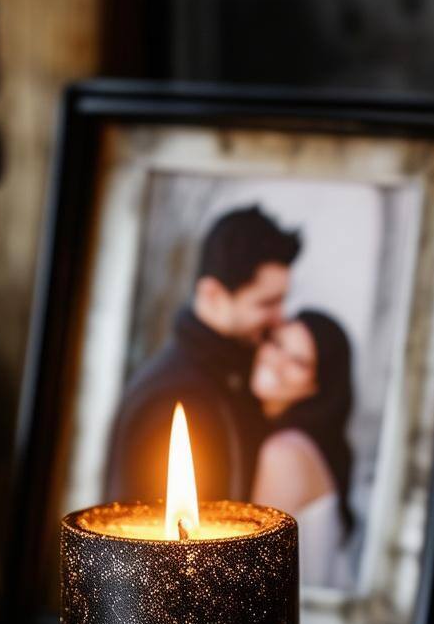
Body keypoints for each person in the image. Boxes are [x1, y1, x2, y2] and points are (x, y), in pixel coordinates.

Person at [103, 205, 302, 503]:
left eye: (282, 301)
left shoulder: (235, 379)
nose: (280, 317)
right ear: (212, 295)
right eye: (266, 303)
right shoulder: (175, 396)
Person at [250, 310, 354, 588]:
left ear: (316, 387)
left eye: (298, 361)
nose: (277, 362)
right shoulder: (295, 442)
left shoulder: (285, 453)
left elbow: (256, 573)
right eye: (278, 343)